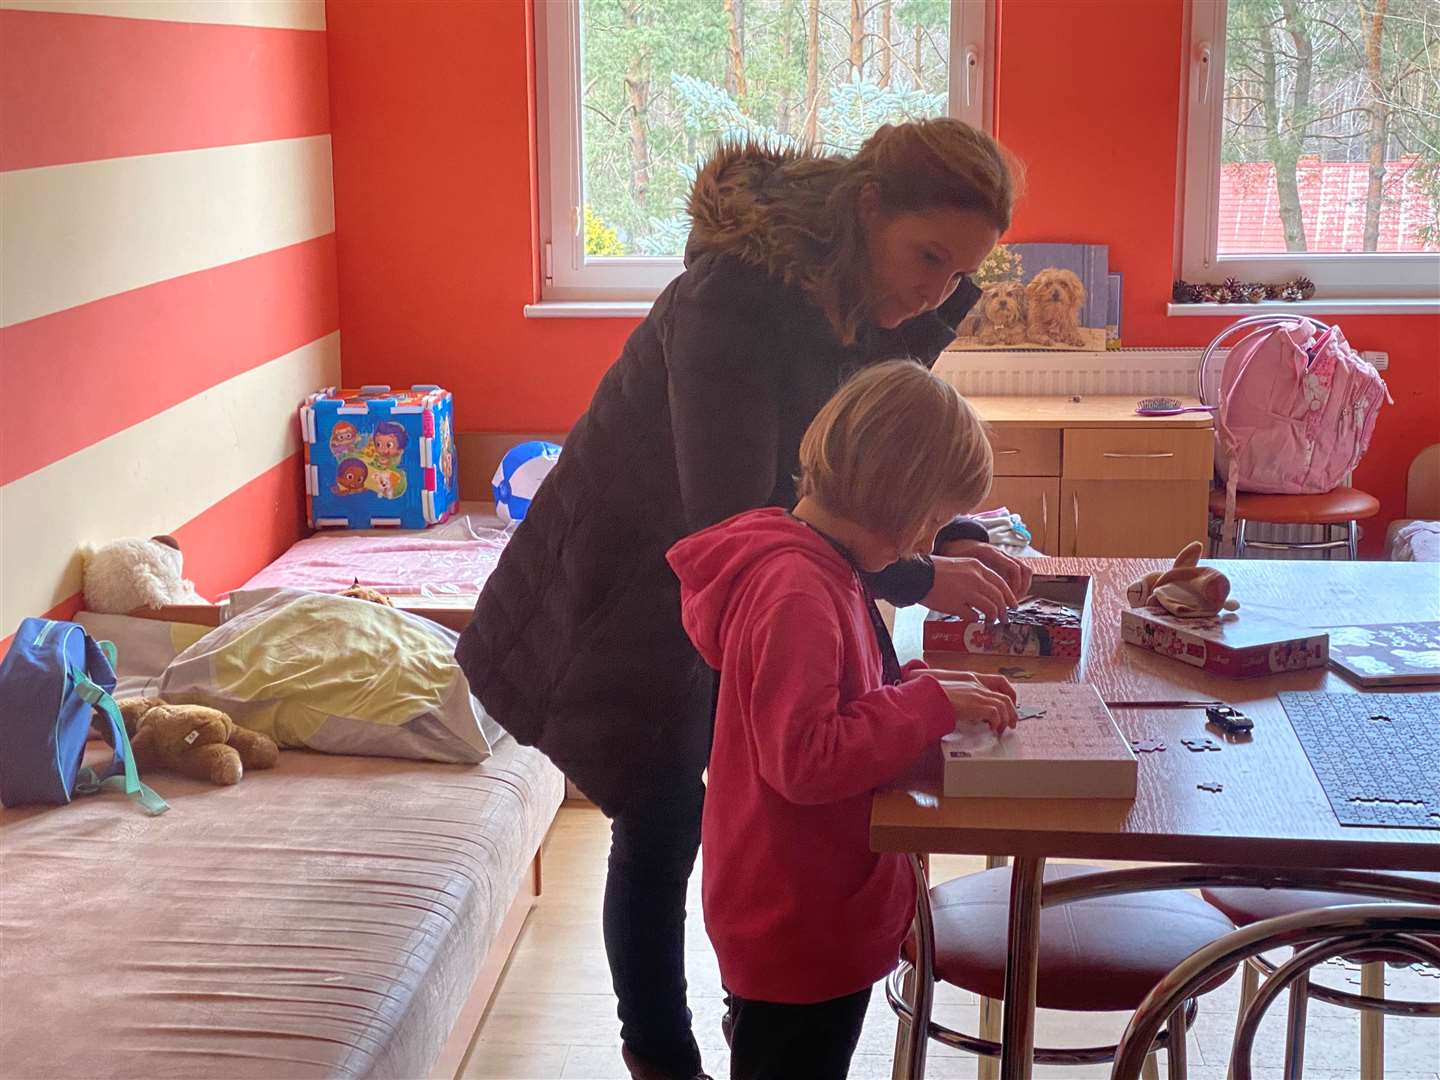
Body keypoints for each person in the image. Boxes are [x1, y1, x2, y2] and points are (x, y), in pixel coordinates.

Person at [457, 118, 1027, 1080]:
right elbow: (751, 524)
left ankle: (755, 1019)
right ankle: (662, 1055)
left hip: (756, 553)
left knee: (753, 798)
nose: (937, 292)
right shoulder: (734, 301)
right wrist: (916, 572)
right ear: (866, 207)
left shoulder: (890, 298)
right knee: (663, 808)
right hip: (632, 579)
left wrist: (941, 528)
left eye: (958, 275)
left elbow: (866, 466)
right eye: (928, 259)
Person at [667, 360, 1018, 1080]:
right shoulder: (796, 589)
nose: (925, 545)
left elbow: (845, 694)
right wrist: (927, 703)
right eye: (929, 520)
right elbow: (807, 758)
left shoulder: (817, 562)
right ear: (897, 496)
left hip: (804, 906)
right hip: (799, 919)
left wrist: (932, 687)